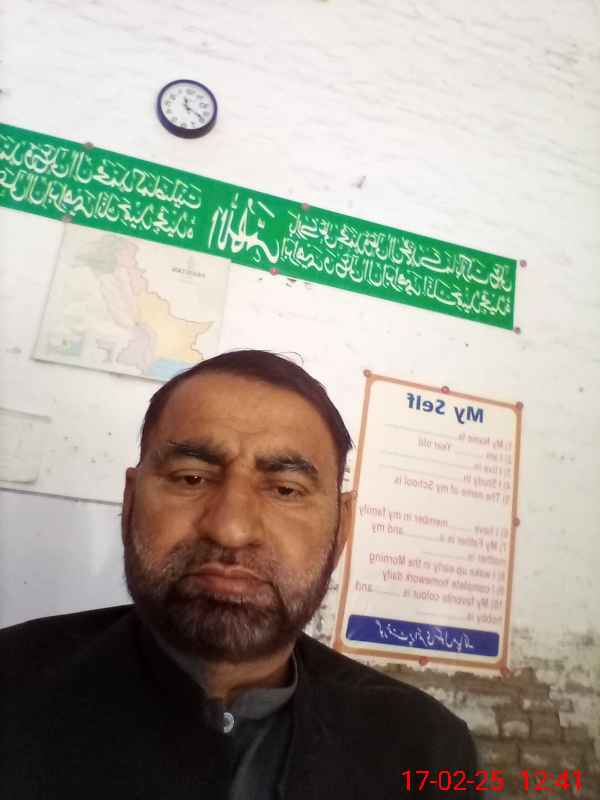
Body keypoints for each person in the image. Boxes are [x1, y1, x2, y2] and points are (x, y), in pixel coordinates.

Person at [0, 349, 478, 799]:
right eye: (191, 478)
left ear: (342, 527)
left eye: (286, 490)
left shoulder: (425, 748)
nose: (230, 529)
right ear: (130, 502)